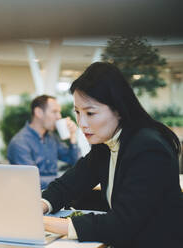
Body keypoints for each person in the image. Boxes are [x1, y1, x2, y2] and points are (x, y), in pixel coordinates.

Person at [42, 62, 183, 247]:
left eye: (90, 113)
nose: (81, 123)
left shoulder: (149, 148)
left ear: (118, 110)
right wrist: (41, 205)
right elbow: (69, 184)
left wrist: (46, 223)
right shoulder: (106, 142)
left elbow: (122, 224)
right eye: (77, 112)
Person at [7, 95, 81, 189]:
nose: (59, 116)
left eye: (59, 112)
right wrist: (65, 178)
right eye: (54, 112)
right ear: (38, 112)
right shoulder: (19, 142)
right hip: (33, 198)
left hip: (55, 193)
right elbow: (31, 180)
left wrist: (72, 136)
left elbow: (74, 161)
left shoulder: (51, 137)